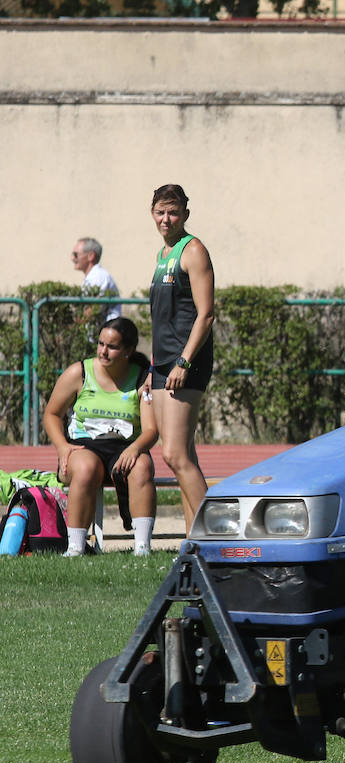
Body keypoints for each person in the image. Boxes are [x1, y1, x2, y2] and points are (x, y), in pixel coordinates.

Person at [43, 318, 158, 556]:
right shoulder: (80, 372)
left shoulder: (142, 379)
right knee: (86, 468)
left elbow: (151, 431)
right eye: (100, 343)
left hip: (125, 447)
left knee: (143, 466)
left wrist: (135, 449)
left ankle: (142, 547)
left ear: (128, 350)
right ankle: (75, 547)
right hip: (83, 447)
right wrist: (63, 447)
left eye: (112, 346)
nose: (103, 351)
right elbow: (52, 414)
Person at [148, 184, 214, 533]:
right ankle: (193, 543)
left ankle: (214, 536)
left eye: (173, 212)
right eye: (160, 211)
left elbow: (205, 315)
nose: (166, 218)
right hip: (162, 364)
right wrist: (152, 368)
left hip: (185, 362)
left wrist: (183, 362)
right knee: (182, 454)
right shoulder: (163, 255)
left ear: (185, 214)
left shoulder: (193, 250)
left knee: (174, 455)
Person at [72, 237, 121, 324]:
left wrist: (73, 326)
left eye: (76, 255)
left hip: (105, 332)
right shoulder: (93, 276)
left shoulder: (98, 276)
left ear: (91, 256)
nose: (72, 258)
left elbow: (94, 309)